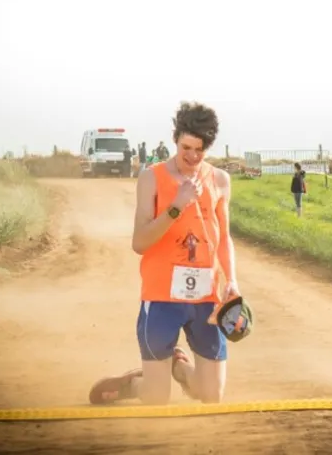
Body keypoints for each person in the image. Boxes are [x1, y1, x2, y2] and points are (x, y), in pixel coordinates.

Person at [88, 101, 241, 406]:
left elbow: (223, 237)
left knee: (212, 396)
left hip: (206, 299)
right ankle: (136, 385)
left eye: (200, 150)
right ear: (175, 139)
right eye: (186, 147)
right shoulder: (151, 178)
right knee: (157, 400)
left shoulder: (220, 180)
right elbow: (140, 243)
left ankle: (179, 368)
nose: (192, 156)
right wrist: (177, 205)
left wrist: (232, 282)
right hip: (161, 298)